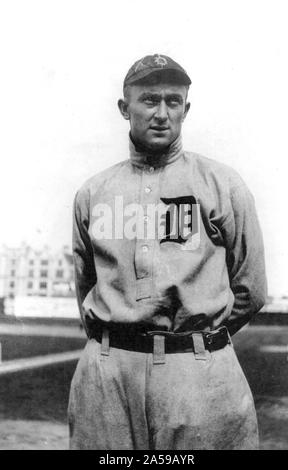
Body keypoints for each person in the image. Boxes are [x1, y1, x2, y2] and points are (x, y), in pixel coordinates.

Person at [68, 53, 267, 450]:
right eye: (149, 100)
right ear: (125, 108)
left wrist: (197, 340)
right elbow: (85, 283)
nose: (161, 113)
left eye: (173, 102)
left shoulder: (221, 184)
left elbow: (251, 289)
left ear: (186, 109)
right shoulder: (93, 192)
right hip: (109, 374)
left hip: (196, 371)